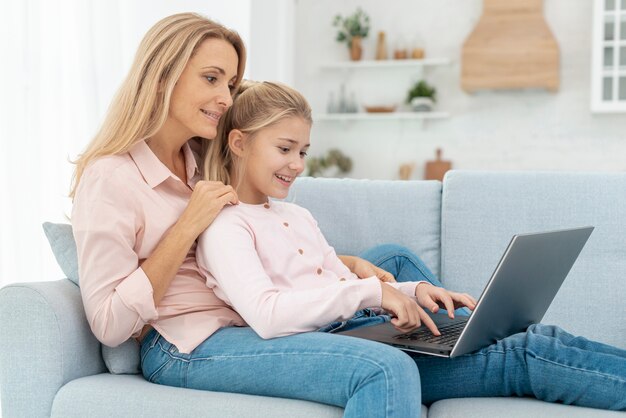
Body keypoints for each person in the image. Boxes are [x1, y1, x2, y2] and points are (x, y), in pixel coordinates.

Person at [69, 13, 626, 418]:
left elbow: (268, 243)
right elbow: (111, 323)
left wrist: (351, 266)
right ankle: (464, 352)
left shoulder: (203, 155)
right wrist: (187, 225)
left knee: (393, 261)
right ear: (162, 75)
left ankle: (451, 338)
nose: (224, 96)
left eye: (231, 83)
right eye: (211, 78)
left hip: (256, 305)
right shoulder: (111, 177)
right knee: (388, 366)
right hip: (195, 338)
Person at [195, 80, 626, 413]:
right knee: (530, 352)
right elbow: (268, 315)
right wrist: (372, 292)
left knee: (541, 336)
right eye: (285, 149)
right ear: (239, 142)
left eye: (304, 151)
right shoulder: (226, 225)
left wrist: (409, 291)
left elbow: (341, 281)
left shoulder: (296, 215)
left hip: (367, 329)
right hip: (342, 347)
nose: (297, 164)